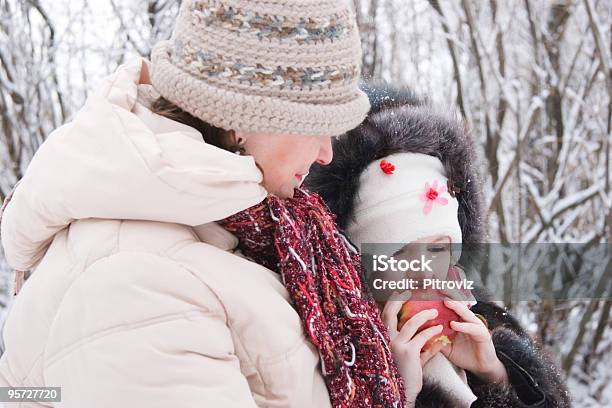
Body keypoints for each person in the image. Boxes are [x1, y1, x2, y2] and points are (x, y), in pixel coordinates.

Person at [0, 1, 416, 407]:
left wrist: (409, 383)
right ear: (243, 117)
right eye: (318, 127)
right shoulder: (134, 288)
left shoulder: (252, 227)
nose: (326, 153)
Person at [304, 82, 573, 407]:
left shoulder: (482, 322)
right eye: (399, 252)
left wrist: (495, 375)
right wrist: (394, 393)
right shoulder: (336, 353)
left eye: (437, 249)